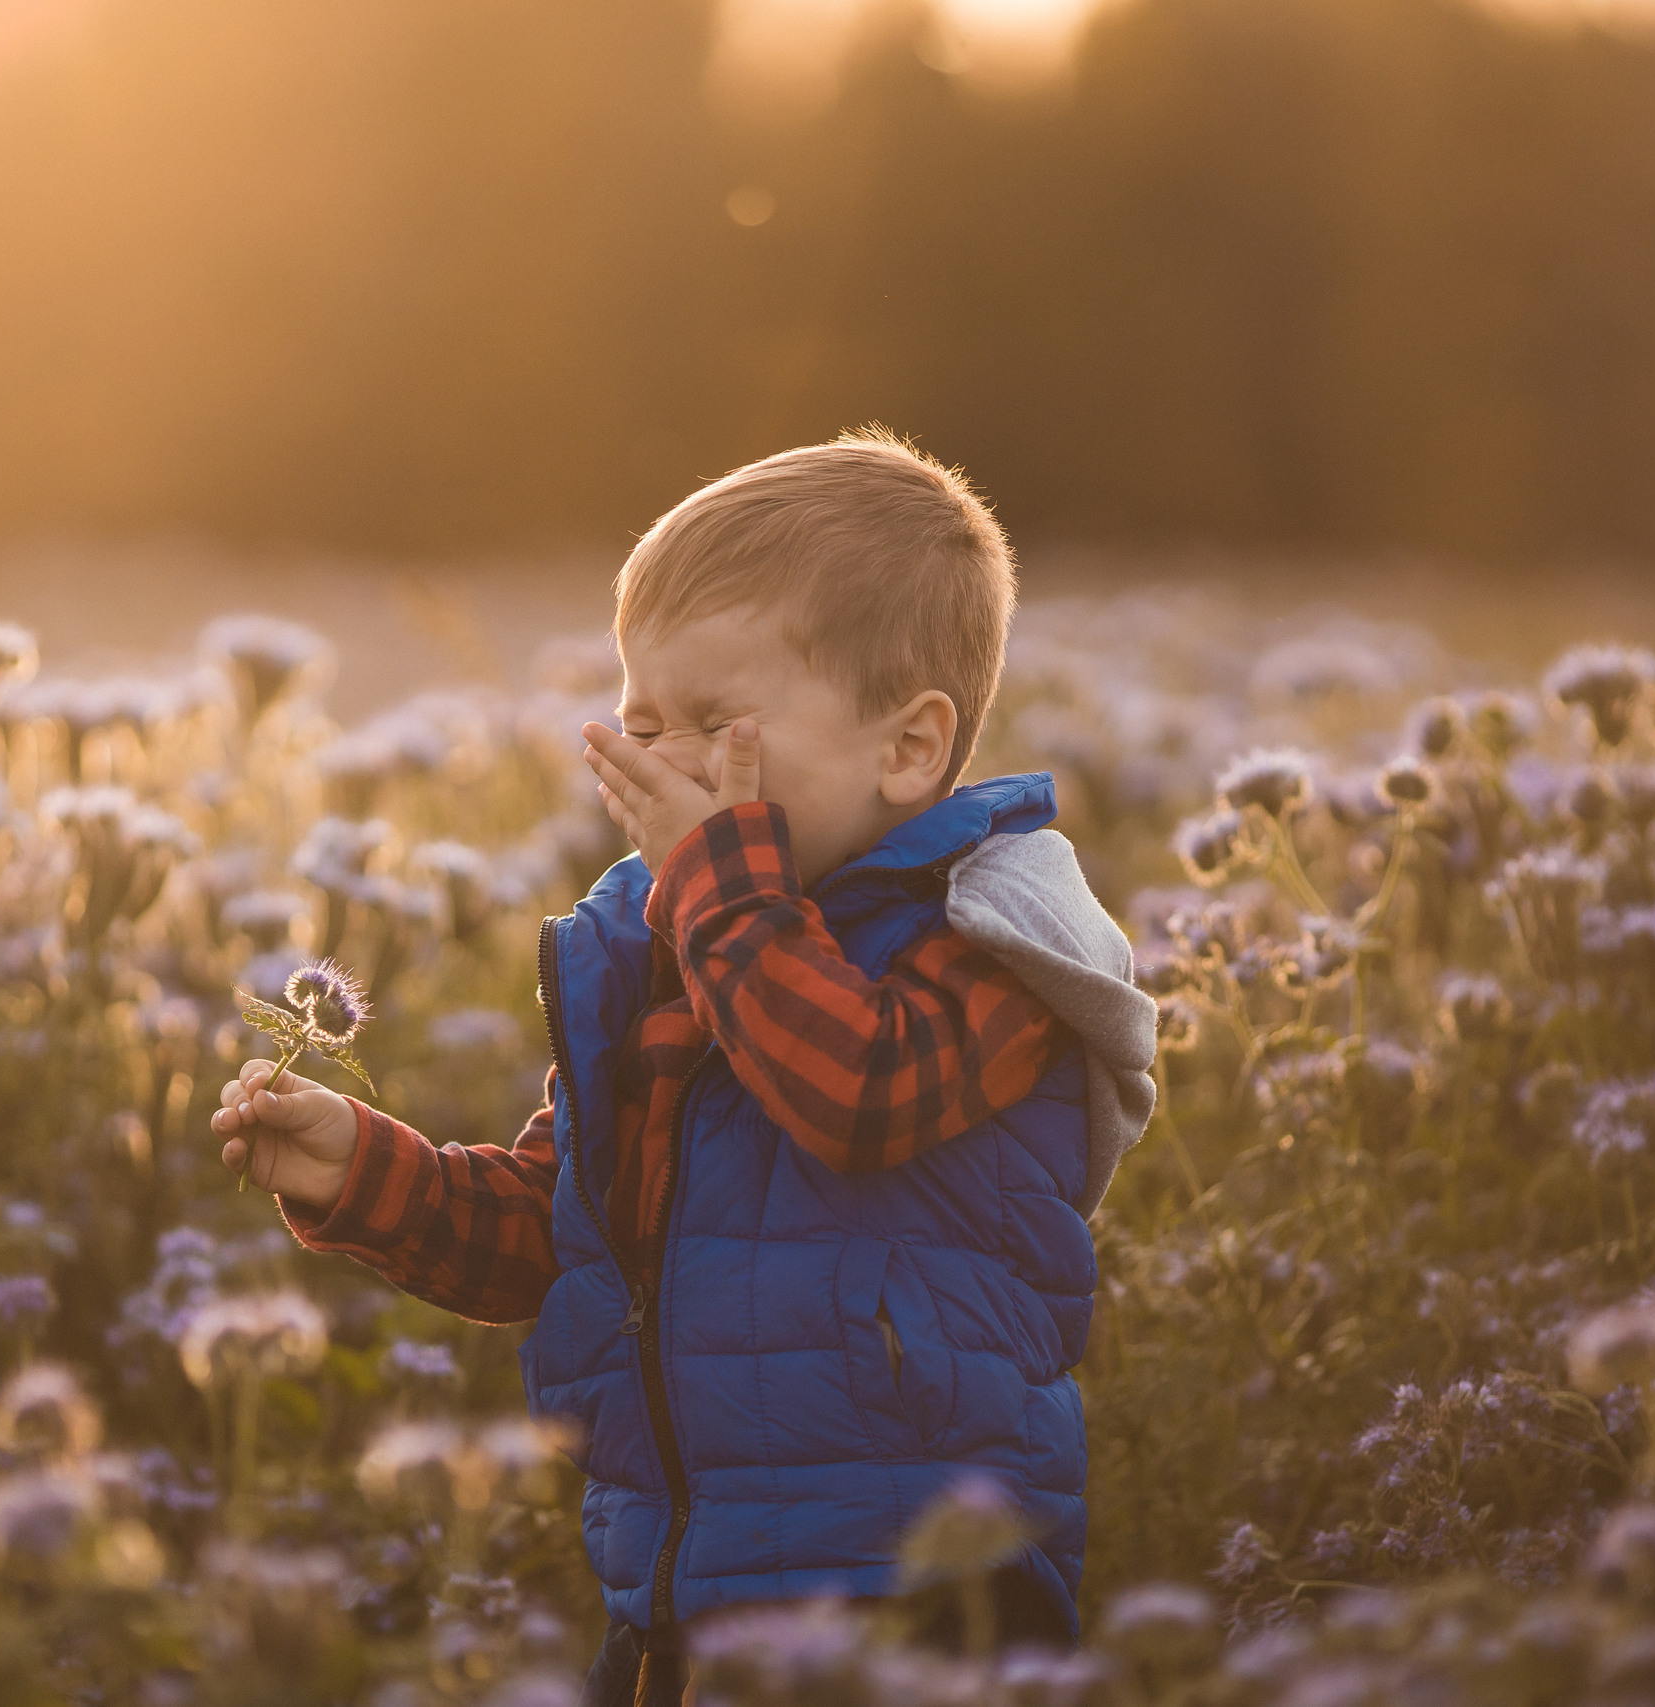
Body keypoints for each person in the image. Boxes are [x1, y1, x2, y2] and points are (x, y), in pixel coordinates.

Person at [213, 428, 1158, 1706]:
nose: (660, 761)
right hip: (675, 1595)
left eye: (716, 725)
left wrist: (720, 893)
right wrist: (364, 1173)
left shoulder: (987, 941)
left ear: (907, 749)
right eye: (643, 720)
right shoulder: (664, 950)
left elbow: (858, 1093)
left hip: (918, 1596)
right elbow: (554, 1237)